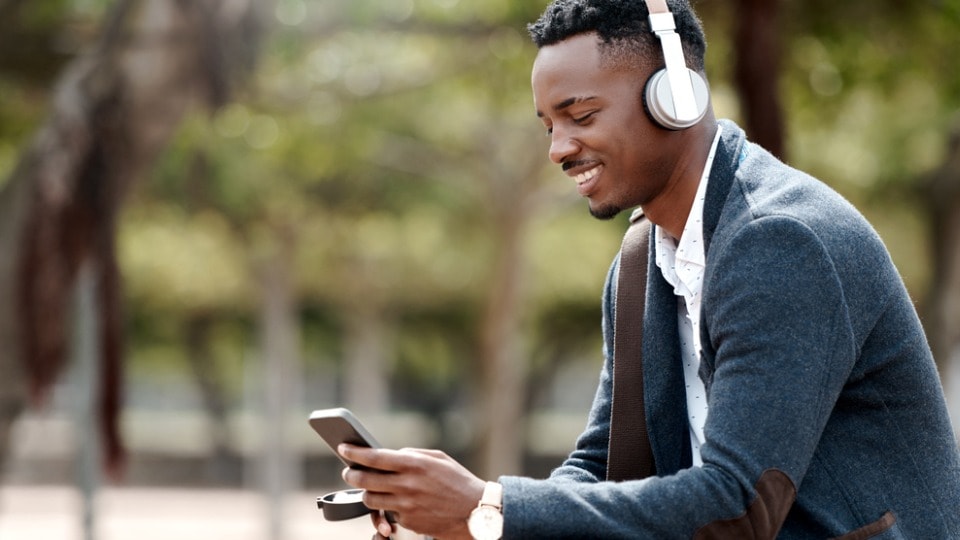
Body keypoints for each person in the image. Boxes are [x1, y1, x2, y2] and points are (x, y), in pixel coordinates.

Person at [339, 0, 960, 538]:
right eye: (549, 125)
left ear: (676, 98)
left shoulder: (781, 241)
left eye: (581, 116)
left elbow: (738, 507)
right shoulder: (641, 260)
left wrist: (491, 509)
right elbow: (605, 464)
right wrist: (461, 522)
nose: (558, 148)